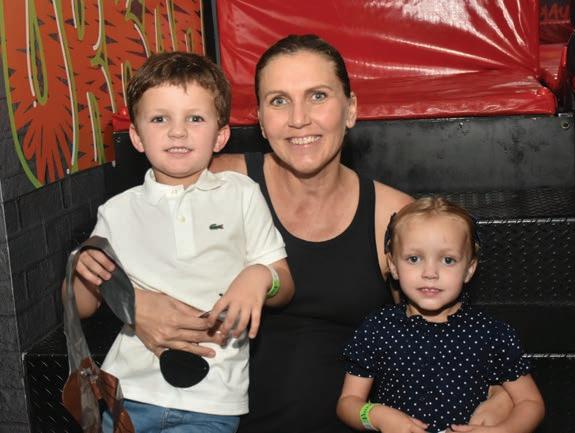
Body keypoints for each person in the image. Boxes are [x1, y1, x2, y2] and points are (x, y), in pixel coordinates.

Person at [130, 35, 514, 433]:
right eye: (279, 100)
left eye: (318, 96)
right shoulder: (217, 182)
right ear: (260, 119)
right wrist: (132, 303)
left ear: (351, 109)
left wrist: (500, 393)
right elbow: (104, 257)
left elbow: (446, 330)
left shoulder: (392, 215)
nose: (299, 118)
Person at [65, 51, 294, 433]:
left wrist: (259, 276)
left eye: (195, 118)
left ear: (220, 135)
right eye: (160, 119)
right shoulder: (117, 211)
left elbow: (283, 283)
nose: (177, 132)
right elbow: (84, 306)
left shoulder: (241, 193)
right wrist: (81, 270)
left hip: (212, 401)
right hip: (127, 394)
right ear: (136, 136)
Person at [337, 196, 545, 433]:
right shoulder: (378, 328)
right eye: (414, 258)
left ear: (469, 269)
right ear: (393, 265)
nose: (430, 273)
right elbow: (348, 404)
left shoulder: (490, 332)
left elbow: (530, 402)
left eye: (448, 260)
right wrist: (376, 416)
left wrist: (502, 431)